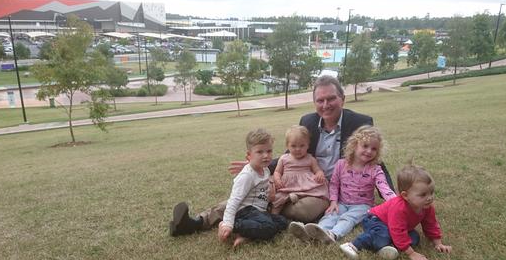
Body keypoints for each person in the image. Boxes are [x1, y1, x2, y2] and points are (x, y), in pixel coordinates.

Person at [169, 75, 394, 236]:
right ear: (314, 102)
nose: (325, 105)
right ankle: (197, 222)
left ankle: (256, 217)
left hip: (322, 190)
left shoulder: (359, 122)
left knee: (300, 211)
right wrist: (257, 165)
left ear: (342, 99)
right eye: (320, 100)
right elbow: (291, 154)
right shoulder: (308, 122)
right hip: (295, 181)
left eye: (331, 99)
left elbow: (376, 164)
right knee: (253, 193)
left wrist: (393, 201)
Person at [289, 125, 396, 243]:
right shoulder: (341, 164)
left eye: (374, 149)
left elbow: (384, 188)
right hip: (341, 202)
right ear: (355, 145)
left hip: (362, 206)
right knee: (331, 214)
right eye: (365, 146)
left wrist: (395, 201)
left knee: (348, 218)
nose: (369, 151)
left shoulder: (375, 170)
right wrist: (333, 202)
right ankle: (316, 231)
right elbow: (334, 184)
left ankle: (333, 234)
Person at [339, 164, 452, 260]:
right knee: (384, 235)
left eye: (431, 192)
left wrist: (438, 243)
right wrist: (411, 254)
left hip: (394, 225)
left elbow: (430, 224)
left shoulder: (426, 206)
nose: (429, 198)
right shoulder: (399, 208)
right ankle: (352, 245)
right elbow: (398, 230)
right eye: (423, 195)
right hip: (375, 219)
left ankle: (385, 247)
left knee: (415, 238)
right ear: (405, 195)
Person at [217, 128, 288, 247]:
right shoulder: (247, 176)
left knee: (282, 222)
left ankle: (246, 235)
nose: (266, 156)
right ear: (249, 155)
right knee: (268, 227)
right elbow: (233, 201)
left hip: (258, 212)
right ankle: (234, 225)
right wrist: (227, 224)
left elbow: (262, 193)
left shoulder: (265, 170)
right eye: (260, 152)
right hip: (245, 212)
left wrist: (270, 194)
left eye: (269, 151)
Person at [270, 125, 329, 214]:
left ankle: (295, 200)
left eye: (302, 146)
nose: (298, 149)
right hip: (287, 186)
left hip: (305, 185)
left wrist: (319, 174)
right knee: (278, 199)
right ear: (287, 146)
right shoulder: (284, 158)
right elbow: (277, 171)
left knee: (313, 194)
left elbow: (317, 170)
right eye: (293, 146)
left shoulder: (310, 158)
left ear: (308, 145)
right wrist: (277, 179)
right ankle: (274, 215)